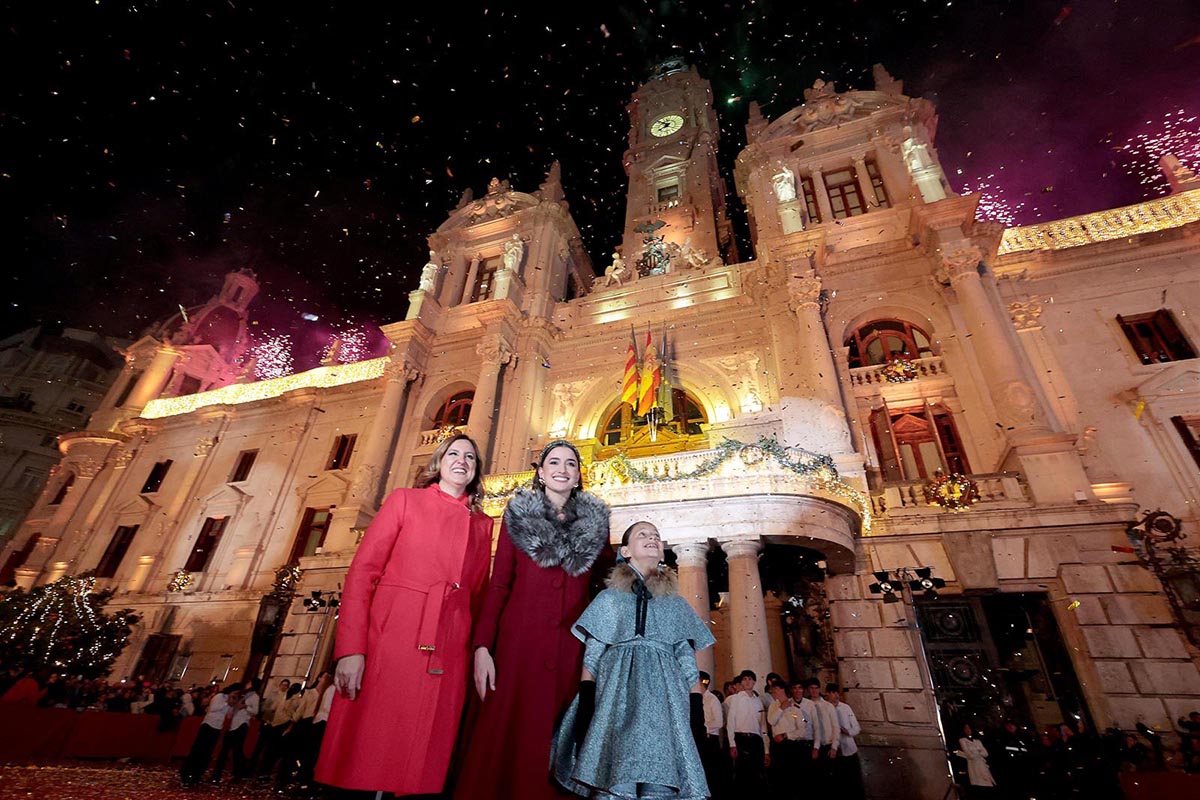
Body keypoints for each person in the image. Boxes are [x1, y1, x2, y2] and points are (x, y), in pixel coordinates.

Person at [315, 434, 494, 796]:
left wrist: (476, 649)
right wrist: (350, 649)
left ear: (476, 471)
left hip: (448, 647)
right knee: (373, 748)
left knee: (423, 756)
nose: (462, 461)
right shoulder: (404, 500)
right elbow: (363, 573)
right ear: (439, 462)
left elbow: (477, 596)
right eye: (454, 454)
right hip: (393, 635)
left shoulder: (483, 524)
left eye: (470, 458)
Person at [454, 439, 612, 800]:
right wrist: (482, 647)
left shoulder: (597, 525)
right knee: (508, 739)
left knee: (558, 742)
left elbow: (604, 593)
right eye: (553, 462)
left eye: (570, 463)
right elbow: (499, 585)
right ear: (540, 473)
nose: (562, 468)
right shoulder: (517, 515)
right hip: (517, 649)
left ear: (577, 476)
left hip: (572, 651)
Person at [550, 521, 715, 799]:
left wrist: (696, 706)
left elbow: (686, 658)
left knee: (661, 776)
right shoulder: (609, 599)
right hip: (617, 696)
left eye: (656, 536)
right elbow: (594, 652)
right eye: (643, 534)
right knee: (616, 773)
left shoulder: (675, 604)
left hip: (665, 699)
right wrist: (588, 701)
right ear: (625, 551)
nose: (652, 538)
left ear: (663, 552)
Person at [181, 684, 240, 787]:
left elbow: (229, 714)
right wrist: (227, 703)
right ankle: (186, 771)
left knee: (207, 753)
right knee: (198, 749)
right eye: (235, 693)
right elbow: (213, 708)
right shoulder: (219, 697)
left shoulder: (231, 701)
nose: (235, 695)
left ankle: (197, 774)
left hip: (217, 727)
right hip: (208, 725)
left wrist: (233, 705)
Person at [726, 670, 770, 796]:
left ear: (754, 682)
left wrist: (767, 750)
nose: (747, 681)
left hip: (755, 741)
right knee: (742, 774)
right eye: (744, 679)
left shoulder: (758, 701)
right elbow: (731, 722)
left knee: (757, 774)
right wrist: (732, 744)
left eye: (750, 679)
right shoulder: (736, 699)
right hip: (741, 739)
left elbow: (763, 728)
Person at [211, 678, 258, 783]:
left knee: (236, 751)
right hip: (233, 724)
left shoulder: (254, 697)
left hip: (242, 724)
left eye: (249, 683)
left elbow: (255, 711)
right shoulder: (243, 695)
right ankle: (218, 775)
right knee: (226, 751)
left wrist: (245, 707)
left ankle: (236, 774)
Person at [826, 684, 864, 799]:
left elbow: (856, 727)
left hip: (849, 749)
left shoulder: (846, 708)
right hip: (834, 750)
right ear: (828, 694)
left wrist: (848, 731)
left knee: (853, 780)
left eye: (837, 692)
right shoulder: (826, 708)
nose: (836, 695)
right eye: (833, 693)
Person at [698, 671, 729, 799]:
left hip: (710, 739)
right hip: (700, 739)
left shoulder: (712, 699)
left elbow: (718, 722)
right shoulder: (694, 699)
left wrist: (703, 728)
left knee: (711, 771)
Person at [958, 723, 996, 796]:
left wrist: (975, 752)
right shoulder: (963, 740)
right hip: (973, 765)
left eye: (969, 728)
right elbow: (969, 754)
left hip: (982, 765)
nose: (968, 730)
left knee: (988, 783)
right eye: (966, 728)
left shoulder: (977, 741)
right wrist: (978, 751)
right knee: (978, 784)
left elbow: (985, 753)